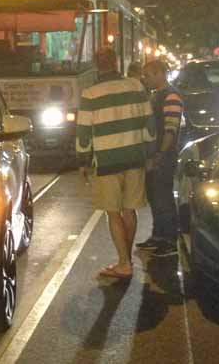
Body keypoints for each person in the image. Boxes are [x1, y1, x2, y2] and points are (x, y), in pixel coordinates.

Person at [76, 48, 156, 279]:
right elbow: (149, 124)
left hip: (107, 160)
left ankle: (123, 263)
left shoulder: (90, 94)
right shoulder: (136, 87)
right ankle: (126, 259)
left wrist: (83, 161)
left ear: (96, 65)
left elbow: (84, 133)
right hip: (134, 157)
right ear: (117, 62)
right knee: (129, 210)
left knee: (113, 213)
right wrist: (149, 154)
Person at [136, 60, 184, 257]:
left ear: (159, 74)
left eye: (147, 75)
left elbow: (170, 129)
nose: (145, 79)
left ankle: (169, 240)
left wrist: (160, 154)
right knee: (155, 195)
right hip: (155, 154)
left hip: (162, 155)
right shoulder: (157, 95)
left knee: (162, 196)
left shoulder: (171, 96)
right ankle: (158, 235)